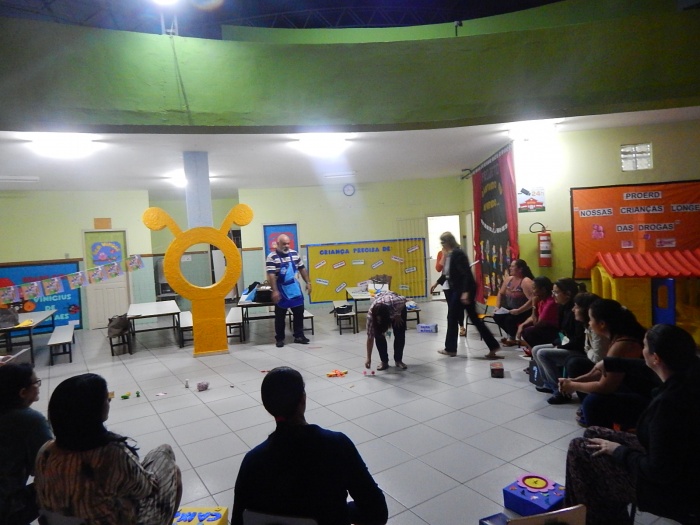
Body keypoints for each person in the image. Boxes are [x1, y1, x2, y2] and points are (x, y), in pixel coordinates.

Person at [564, 324, 700, 525]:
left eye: (644, 347)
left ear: (656, 358)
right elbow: (646, 369)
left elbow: (658, 472)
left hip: (675, 490)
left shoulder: (669, 406)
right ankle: (599, 513)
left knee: (579, 450)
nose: (641, 351)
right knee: (593, 434)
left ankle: (585, 517)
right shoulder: (689, 373)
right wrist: (611, 362)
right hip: (681, 466)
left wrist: (618, 450)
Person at [232, 367, 388, 525]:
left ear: (267, 406)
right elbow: (377, 512)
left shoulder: (252, 462)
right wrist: (341, 511)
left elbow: (238, 520)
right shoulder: (336, 446)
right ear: (303, 400)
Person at [35, 373, 182, 525]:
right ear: (92, 410)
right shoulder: (110, 455)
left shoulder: (45, 452)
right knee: (168, 460)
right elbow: (146, 489)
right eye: (106, 398)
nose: (109, 400)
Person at [559, 299, 648, 429]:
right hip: (633, 387)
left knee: (593, 402)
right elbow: (600, 370)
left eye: (590, 319)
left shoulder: (623, 344)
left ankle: (603, 435)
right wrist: (573, 381)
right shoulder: (620, 336)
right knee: (575, 363)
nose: (589, 323)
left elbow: (605, 386)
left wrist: (573, 385)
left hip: (645, 397)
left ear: (602, 324)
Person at [434, 232, 501, 359]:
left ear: (448, 242)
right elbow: (448, 274)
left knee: (452, 317)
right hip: (459, 289)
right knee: (473, 318)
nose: (442, 245)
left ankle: (450, 349)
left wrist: (465, 292)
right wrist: (437, 283)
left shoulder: (458, 253)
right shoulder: (450, 254)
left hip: (462, 289)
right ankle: (493, 345)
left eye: (443, 242)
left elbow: (465, 274)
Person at [0, 363, 52, 525]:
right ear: (23, 392)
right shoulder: (29, 420)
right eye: (36, 382)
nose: (38, 386)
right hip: (8, 509)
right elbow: (49, 465)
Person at [531, 278, 587, 403]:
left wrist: (561, 346)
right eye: (553, 292)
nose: (553, 295)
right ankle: (549, 384)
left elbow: (579, 340)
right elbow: (562, 332)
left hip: (577, 349)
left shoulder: (576, 311)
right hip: (566, 344)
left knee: (543, 353)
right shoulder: (562, 307)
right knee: (535, 349)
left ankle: (561, 391)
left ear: (567, 294)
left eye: (556, 292)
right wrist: (558, 343)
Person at [561, 292, 611, 398]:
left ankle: (584, 397)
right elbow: (587, 348)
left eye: (576, 307)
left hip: (602, 363)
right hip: (596, 359)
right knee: (570, 359)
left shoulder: (597, 328)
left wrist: (588, 350)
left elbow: (598, 358)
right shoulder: (587, 324)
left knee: (574, 363)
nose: (573, 309)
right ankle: (563, 389)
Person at [266, 234, 312, 347]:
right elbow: (271, 275)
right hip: (281, 290)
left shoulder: (295, 254)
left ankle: (299, 336)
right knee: (280, 317)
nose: (286, 246)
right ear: (278, 244)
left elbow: (302, 268)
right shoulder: (272, 257)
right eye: (284, 244)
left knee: (299, 313)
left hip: (294, 289)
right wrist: (275, 291)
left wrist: (308, 282)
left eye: (288, 243)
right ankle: (280, 339)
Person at [493, 259, 534, 346]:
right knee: (497, 316)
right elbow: (500, 293)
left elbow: (533, 300)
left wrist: (519, 310)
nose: (510, 268)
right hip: (512, 308)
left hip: (525, 310)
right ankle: (512, 335)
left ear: (520, 269)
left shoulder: (526, 281)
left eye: (512, 266)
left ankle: (512, 338)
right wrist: (497, 306)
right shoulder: (509, 279)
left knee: (509, 319)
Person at [365, 290, 408, 370]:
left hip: (397, 308)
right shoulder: (371, 317)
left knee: (400, 334)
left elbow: (404, 299)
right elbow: (370, 338)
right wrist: (368, 358)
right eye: (377, 320)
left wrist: (398, 313)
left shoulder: (396, 302)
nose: (379, 322)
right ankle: (384, 361)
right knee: (379, 336)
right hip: (386, 304)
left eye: (381, 320)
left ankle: (398, 360)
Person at [430, 245, 466, 337]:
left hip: (457, 285)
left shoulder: (457, 254)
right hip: (446, 285)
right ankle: (453, 329)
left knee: (458, 307)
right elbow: (440, 270)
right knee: (451, 308)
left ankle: (461, 326)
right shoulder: (441, 254)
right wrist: (444, 256)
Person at [516, 276, 559, 352]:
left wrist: (534, 305)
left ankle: (537, 351)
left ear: (543, 290)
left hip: (555, 331)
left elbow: (537, 324)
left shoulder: (550, 303)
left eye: (534, 288)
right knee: (523, 326)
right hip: (545, 327)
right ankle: (532, 350)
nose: (532, 291)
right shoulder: (541, 300)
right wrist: (522, 325)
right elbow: (532, 317)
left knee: (529, 331)